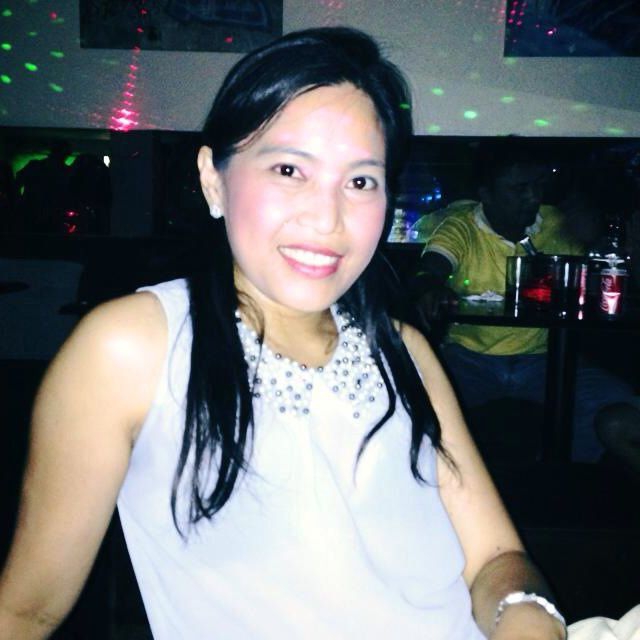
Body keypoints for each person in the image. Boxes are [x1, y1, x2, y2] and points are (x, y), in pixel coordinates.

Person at [0, 27, 603, 640]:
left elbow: (496, 557)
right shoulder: (132, 347)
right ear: (213, 179)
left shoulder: (404, 350)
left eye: (360, 181)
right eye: (289, 169)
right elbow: (26, 611)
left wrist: (527, 616)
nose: (327, 218)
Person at [411, 139, 640, 472]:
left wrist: (601, 242)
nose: (533, 197)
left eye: (537, 186)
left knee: (620, 414)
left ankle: (566, 483)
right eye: (519, 189)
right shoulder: (460, 228)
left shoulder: (557, 223)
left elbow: (606, 273)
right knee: (413, 410)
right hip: (469, 357)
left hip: (545, 358)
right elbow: (429, 269)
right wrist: (430, 286)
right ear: (486, 193)